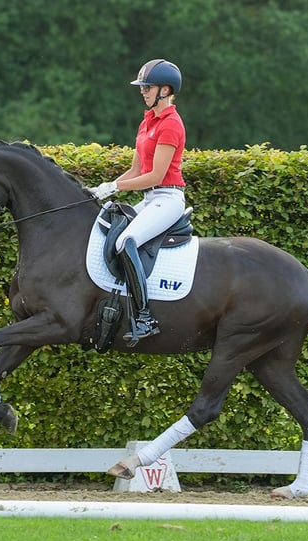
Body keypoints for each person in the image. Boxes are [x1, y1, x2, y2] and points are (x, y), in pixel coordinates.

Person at [89, 58, 187, 343]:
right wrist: (103, 190)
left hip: (168, 198)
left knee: (126, 241)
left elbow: (156, 175)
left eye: (148, 86)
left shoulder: (171, 125)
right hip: (151, 198)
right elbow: (135, 171)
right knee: (106, 221)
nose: (143, 91)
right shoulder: (148, 122)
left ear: (165, 90)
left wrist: (114, 186)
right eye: (142, 86)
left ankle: (145, 317)